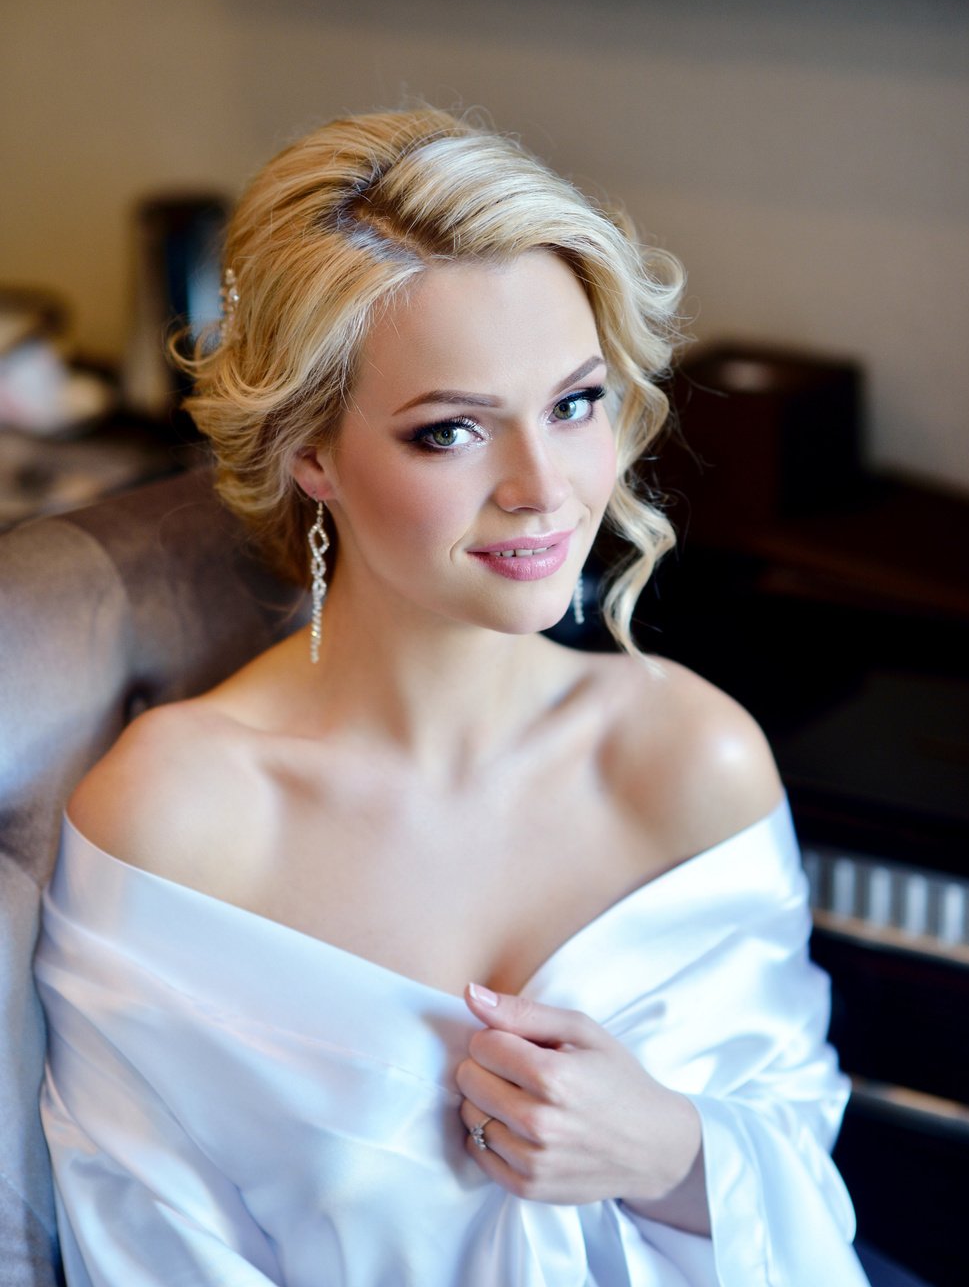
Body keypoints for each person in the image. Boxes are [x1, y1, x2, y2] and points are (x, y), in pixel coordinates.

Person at [35, 107, 870, 1286]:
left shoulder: (689, 758)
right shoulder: (175, 822)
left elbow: (794, 1170)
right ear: (310, 451)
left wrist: (666, 1148)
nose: (542, 488)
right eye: (451, 431)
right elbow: (147, 1247)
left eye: (574, 404)